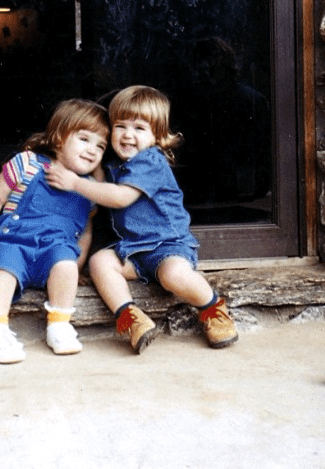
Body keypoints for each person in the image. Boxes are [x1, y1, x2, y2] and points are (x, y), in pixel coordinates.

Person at [45, 85, 238, 353]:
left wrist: (75, 183)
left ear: (157, 136)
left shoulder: (150, 162)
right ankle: (131, 317)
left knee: (174, 275)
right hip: (134, 250)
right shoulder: (117, 166)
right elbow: (101, 183)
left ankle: (213, 308)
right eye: (120, 126)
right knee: (100, 262)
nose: (128, 135)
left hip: (167, 246)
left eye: (139, 128)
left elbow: (120, 197)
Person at [0, 99, 109, 364]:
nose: (92, 150)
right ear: (60, 137)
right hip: (15, 242)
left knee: (65, 265)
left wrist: (79, 263)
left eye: (100, 145)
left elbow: (85, 230)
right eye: (84, 139)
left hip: (56, 248)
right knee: (2, 269)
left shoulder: (88, 187)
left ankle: (59, 324)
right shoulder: (27, 163)